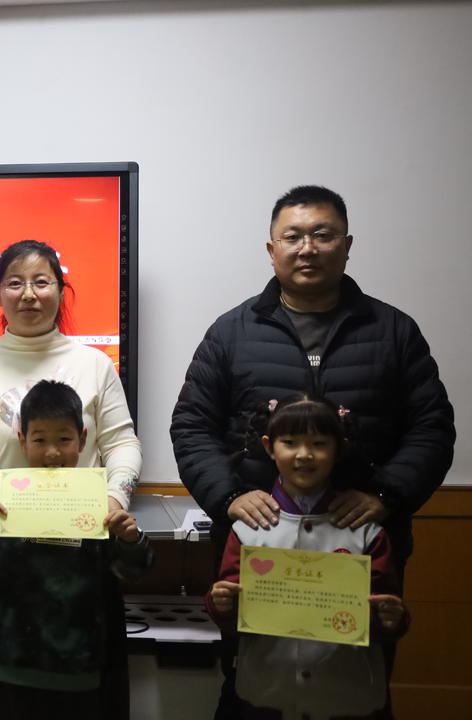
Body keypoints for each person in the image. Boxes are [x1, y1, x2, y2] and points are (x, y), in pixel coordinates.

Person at [171, 185, 454, 718]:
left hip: (363, 543)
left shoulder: (393, 330)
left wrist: (386, 496)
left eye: (323, 235)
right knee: (253, 686)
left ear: (346, 246)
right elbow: (191, 425)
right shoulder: (231, 332)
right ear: (271, 249)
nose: (308, 248)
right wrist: (229, 498)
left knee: (358, 686)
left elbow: (433, 428)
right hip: (259, 541)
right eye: (293, 236)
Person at [0, 380, 152, 720]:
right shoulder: (0, 504)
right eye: (39, 440)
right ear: (22, 440)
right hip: (7, 667)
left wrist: (130, 539)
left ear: (82, 439)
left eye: (64, 439)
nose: (52, 453)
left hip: (79, 672)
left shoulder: (98, 509)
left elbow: (134, 571)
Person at [205, 395, 408, 720]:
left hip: (348, 696)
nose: (304, 454)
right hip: (267, 692)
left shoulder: (366, 532)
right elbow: (232, 617)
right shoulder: (247, 529)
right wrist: (222, 604)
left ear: (339, 449)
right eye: (290, 442)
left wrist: (391, 618)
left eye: (319, 443)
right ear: (269, 447)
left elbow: (384, 615)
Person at [0, 239, 142, 511]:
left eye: (41, 282)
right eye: (15, 283)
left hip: (81, 523)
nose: (28, 294)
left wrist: (116, 498)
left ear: (61, 292)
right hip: (4, 528)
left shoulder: (96, 364)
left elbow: (121, 444)